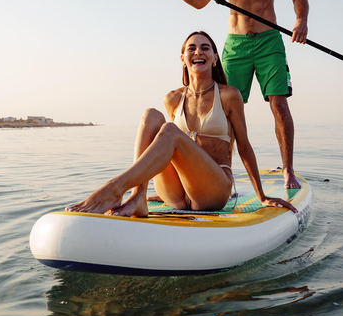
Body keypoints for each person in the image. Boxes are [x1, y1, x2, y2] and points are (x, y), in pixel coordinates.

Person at [154, 0, 309, 189]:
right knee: (225, 108)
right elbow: (200, 0)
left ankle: (288, 170)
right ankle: (222, 172)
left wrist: (300, 21)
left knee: (278, 104)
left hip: (269, 41)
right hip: (235, 45)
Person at [67, 31, 295, 217]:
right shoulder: (173, 98)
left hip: (213, 191)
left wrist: (261, 195)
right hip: (178, 193)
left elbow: (244, 146)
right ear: (183, 59)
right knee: (151, 116)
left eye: (205, 48)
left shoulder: (228, 95)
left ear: (215, 58)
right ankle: (138, 195)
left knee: (170, 131)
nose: (198, 52)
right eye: (192, 48)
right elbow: (166, 152)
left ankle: (113, 189)